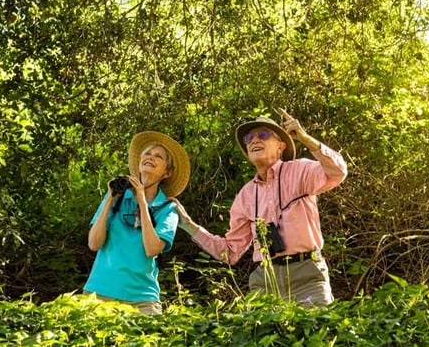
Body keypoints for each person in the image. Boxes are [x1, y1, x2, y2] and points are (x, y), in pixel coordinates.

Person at [173, 109, 347, 306]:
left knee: (318, 332)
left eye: (263, 135)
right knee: (259, 335)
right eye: (249, 138)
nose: (254, 140)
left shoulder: (300, 171)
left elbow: (338, 172)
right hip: (265, 282)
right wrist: (187, 225)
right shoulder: (244, 196)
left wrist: (306, 139)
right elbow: (230, 252)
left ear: (281, 146)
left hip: (307, 276)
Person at [83, 131, 190, 315]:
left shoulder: (167, 208)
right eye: (147, 154)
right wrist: (110, 199)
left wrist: (142, 201)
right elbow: (94, 244)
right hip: (99, 293)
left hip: (142, 299)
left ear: (167, 172)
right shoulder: (116, 197)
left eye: (159, 156)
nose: (151, 157)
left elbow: (152, 249)